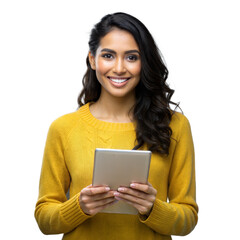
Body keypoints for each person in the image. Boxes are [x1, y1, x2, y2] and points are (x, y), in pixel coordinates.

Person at [35, 12, 198, 240]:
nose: (120, 68)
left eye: (132, 57)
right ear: (92, 59)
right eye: (109, 56)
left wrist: (153, 208)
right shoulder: (63, 128)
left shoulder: (175, 126)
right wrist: (79, 206)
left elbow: (187, 219)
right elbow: (44, 218)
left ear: (144, 62)